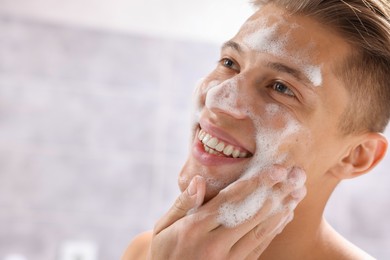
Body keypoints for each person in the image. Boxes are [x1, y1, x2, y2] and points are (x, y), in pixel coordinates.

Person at [122, 0, 390, 259]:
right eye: (230, 63)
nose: (218, 97)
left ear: (356, 156)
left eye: (281, 88)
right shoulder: (147, 252)